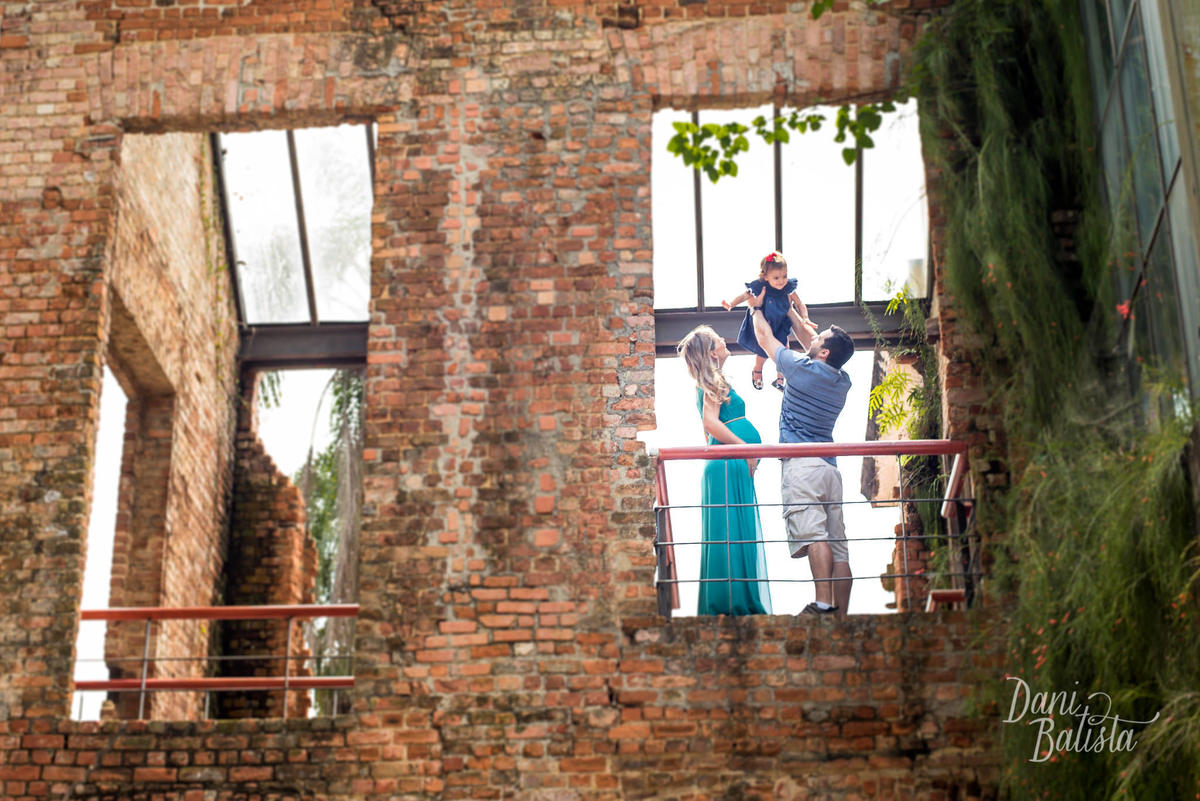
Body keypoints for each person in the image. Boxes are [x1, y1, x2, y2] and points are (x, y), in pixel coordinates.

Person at [748, 288, 855, 616]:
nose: (812, 334)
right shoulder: (842, 381)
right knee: (839, 548)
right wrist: (789, 309)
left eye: (819, 338)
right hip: (829, 469)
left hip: (803, 467)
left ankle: (822, 605)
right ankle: (841, 615)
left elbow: (765, 338)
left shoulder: (800, 368)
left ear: (823, 352)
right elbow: (814, 342)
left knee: (815, 535)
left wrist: (756, 308)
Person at [677, 326, 772, 616]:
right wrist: (746, 449)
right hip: (728, 462)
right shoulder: (711, 380)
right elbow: (711, 423)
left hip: (729, 463)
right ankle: (731, 602)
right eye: (718, 339)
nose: (724, 340)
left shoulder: (713, 381)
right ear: (711, 352)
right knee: (730, 531)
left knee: (736, 530)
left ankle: (737, 598)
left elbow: (707, 433)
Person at [722, 251, 811, 392]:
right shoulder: (760, 286)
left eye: (784, 276)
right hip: (765, 321)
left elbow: (799, 303)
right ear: (765, 277)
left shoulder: (788, 287)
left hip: (780, 321)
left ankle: (780, 378)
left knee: (784, 348)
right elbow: (745, 296)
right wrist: (731, 304)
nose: (781, 281)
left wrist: (805, 317)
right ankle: (757, 369)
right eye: (776, 278)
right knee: (763, 351)